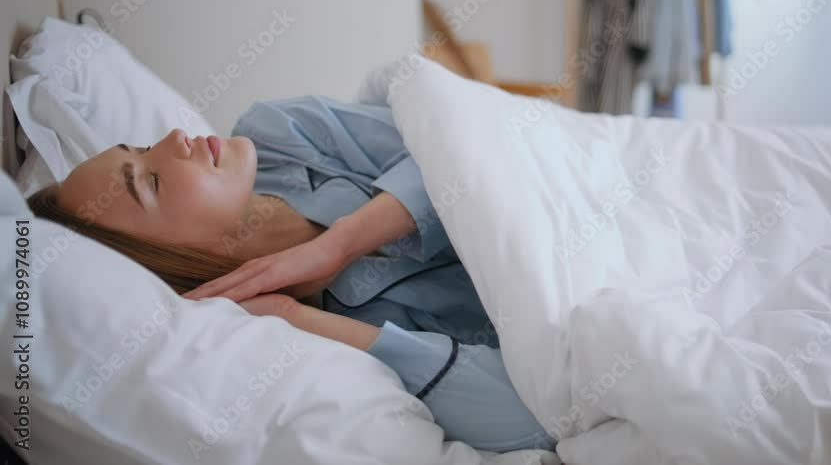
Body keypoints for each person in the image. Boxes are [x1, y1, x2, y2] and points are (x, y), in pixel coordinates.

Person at [26, 87, 556, 453]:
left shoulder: (281, 134)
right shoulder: (315, 351)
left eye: (142, 149)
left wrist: (341, 243)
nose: (173, 139)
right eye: (151, 182)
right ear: (177, 264)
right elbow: (541, 413)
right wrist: (290, 314)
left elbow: (463, 146)